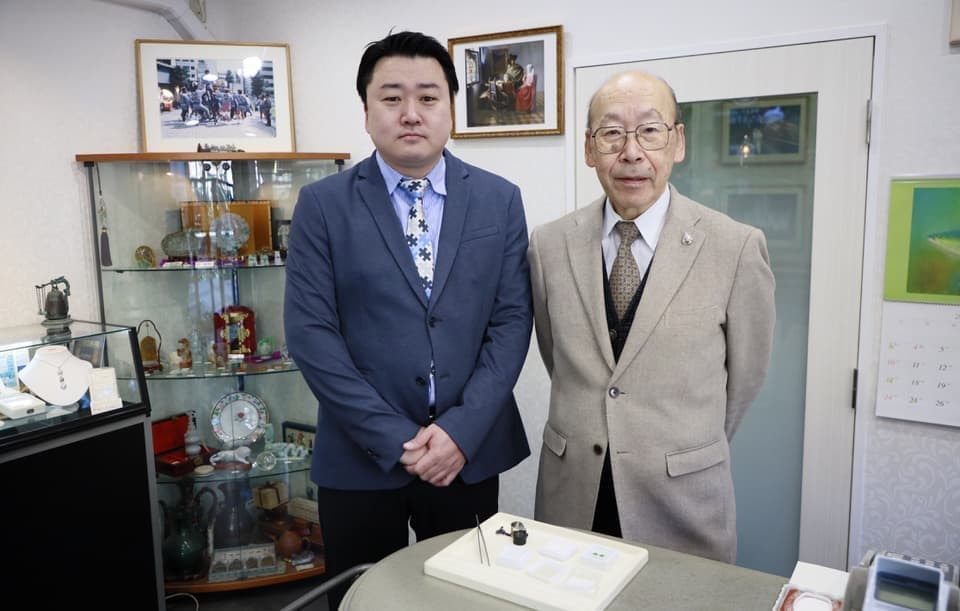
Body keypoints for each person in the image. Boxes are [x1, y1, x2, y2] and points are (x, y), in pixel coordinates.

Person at [284, 30, 533, 606]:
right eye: (392, 98)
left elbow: (511, 322)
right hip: (360, 456)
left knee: (466, 600)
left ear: (451, 109)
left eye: (428, 97)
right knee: (363, 599)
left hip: (466, 454)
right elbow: (311, 335)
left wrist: (459, 433)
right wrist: (396, 439)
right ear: (367, 112)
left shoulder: (499, 199)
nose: (411, 113)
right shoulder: (323, 205)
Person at [528, 70, 775, 564]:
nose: (631, 152)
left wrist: (679, 445)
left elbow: (744, 381)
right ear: (589, 148)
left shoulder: (735, 248)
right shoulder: (548, 245)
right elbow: (558, 358)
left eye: (649, 130)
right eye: (612, 133)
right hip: (574, 496)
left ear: (677, 141)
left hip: (681, 501)